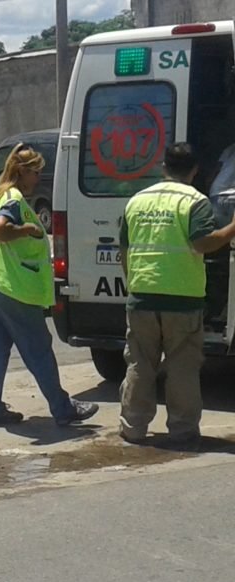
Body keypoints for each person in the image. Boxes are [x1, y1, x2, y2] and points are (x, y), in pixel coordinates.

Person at [0, 143, 99, 427]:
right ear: (23, 171)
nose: (39, 178)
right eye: (36, 172)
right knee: (39, 348)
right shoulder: (13, 200)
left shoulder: (0, 193)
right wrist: (26, 229)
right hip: (14, 287)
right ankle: (62, 408)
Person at [119, 142, 235, 446]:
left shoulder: (137, 201)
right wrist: (232, 228)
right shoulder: (195, 201)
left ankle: (133, 427)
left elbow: (124, 250)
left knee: (140, 363)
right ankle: (182, 431)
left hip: (141, 296)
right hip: (182, 300)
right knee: (182, 365)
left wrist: (134, 282)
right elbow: (202, 243)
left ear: (163, 168)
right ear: (195, 171)